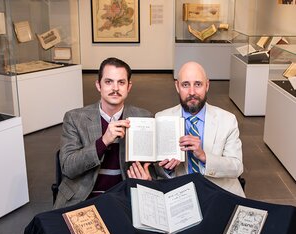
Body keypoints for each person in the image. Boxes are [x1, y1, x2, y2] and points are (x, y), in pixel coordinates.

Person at [129, 61, 245, 197]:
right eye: (185, 85)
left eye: (198, 84)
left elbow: (236, 167)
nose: (192, 92)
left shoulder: (227, 120)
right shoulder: (161, 118)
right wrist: (167, 169)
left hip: (218, 193)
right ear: (177, 86)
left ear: (207, 85)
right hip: (180, 195)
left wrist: (203, 156)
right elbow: (158, 172)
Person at [53, 57, 152, 209]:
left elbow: (152, 166)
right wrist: (103, 141)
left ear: (129, 86)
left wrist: (149, 177)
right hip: (85, 198)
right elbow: (68, 167)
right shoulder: (74, 118)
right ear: (98, 85)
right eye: (108, 82)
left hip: (126, 198)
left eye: (121, 82)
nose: (115, 88)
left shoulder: (144, 118)